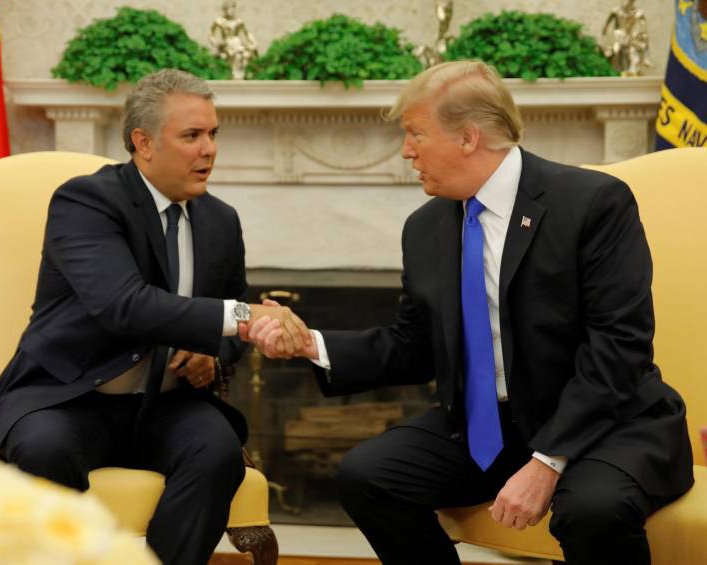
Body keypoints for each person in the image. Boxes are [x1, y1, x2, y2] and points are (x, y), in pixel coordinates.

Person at [243, 60, 694, 565]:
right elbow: (414, 345)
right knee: (369, 476)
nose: (406, 150)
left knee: (592, 509)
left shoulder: (592, 203)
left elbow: (619, 347)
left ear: (468, 138)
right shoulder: (426, 227)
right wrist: (313, 344)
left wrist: (547, 462)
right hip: (493, 428)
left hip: (606, 423)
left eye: (415, 133)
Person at [0, 69, 310, 565]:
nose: (209, 149)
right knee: (45, 448)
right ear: (142, 142)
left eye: (213, 134)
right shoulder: (86, 201)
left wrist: (213, 356)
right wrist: (243, 317)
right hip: (70, 396)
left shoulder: (220, 219)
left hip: (165, 405)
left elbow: (228, 320)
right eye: (191, 135)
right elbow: (123, 305)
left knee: (216, 451)